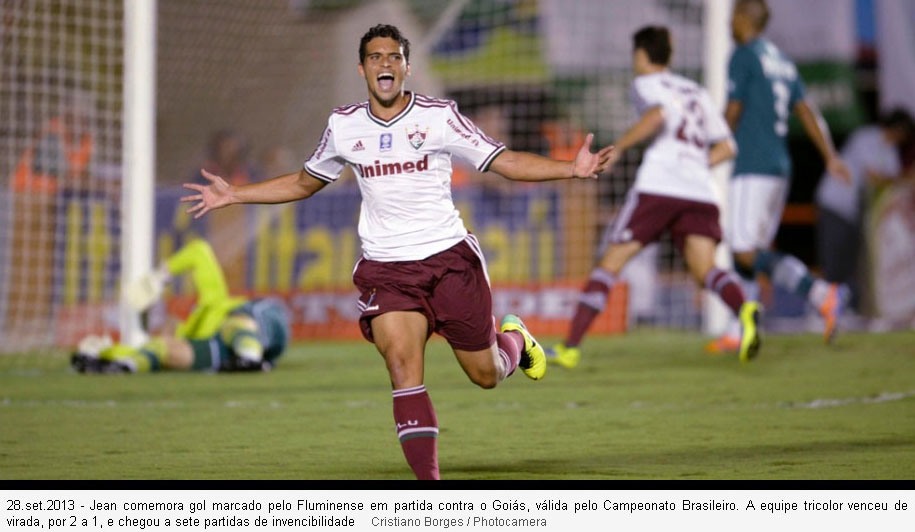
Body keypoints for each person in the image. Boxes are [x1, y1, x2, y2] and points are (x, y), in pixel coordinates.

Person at [180, 24, 614, 480]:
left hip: (449, 261)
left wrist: (571, 169)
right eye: (375, 57)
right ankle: (429, 493)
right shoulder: (344, 126)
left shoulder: (438, 116)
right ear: (362, 68)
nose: (384, 64)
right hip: (387, 269)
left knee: (485, 374)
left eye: (393, 57)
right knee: (403, 364)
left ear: (406, 67)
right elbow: (306, 181)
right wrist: (236, 195)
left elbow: (501, 160)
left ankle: (514, 341)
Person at [546, 26, 760, 369]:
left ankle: (570, 346)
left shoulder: (645, 84)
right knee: (706, 270)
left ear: (641, 55)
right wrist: (693, 165)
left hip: (659, 185)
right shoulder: (695, 90)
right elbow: (727, 146)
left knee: (609, 263)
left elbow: (658, 114)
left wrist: (620, 148)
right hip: (700, 190)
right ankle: (744, 307)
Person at [708, 0, 853, 353]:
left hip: (753, 164)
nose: (729, 24)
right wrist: (830, 156)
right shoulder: (781, 60)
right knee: (750, 249)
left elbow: (733, 109)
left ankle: (822, 294)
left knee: (743, 251)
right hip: (779, 166)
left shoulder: (743, 55)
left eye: (732, 18)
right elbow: (807, 110)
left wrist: (713, 145)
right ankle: (738, 328)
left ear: (744, 19)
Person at [71, 239, 289, 374]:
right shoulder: (188, 338)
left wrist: (160, 276)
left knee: (236, 323)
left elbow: (199, 251)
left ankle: (250, 357)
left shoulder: (211, 303)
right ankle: (124, 369)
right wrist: (104, 354)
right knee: (162, 350)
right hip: (223, 355)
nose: (163, 327)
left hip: (263, 323)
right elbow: (147, 350)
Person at [815, 109, 915, 309]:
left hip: (853, 212)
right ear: (898, 128)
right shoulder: (866, 137)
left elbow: (894, 181)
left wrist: (903, 178)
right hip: (834, 202)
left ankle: (840, 309)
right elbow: (875, 177)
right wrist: (905, 177)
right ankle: (818, 309)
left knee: (849, 263)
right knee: (833, 260)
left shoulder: (891, 151)